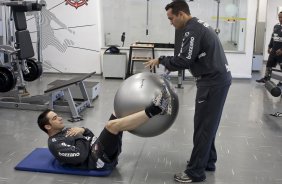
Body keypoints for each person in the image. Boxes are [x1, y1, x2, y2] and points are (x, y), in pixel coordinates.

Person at [144, 1, 232, 183]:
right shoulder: (195, 26)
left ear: (181, 14)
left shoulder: (192, 31)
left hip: (212, 82)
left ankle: (195, 172)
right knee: (208, 125)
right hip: (216, 79)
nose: (170, 23)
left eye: (171, 18)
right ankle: (207, 161)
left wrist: (161, 60)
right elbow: (185, 57)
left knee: (203, 127)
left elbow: (183, 61)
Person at [37, 86, 171, 170]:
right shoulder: (55, 144)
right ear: (48, 126)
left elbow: (89, 135)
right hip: (98, 160)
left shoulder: (65, 131)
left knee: (118, 111)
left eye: (57, 115)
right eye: (55, 118)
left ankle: (153, 104)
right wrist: (79, 135)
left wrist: (83, 130)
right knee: (111, 125)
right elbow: (80, 156)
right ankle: (156, 108)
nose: (60, 118)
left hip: (98, 147)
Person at [256, 11, 282, 86]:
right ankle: (266, 78)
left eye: (281, 17)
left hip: (281, 51)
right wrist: (269, 46)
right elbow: (273, 37)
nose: (280, 19)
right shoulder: (276, 26)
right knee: (269, 64)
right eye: (279, 17)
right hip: (274, 50)